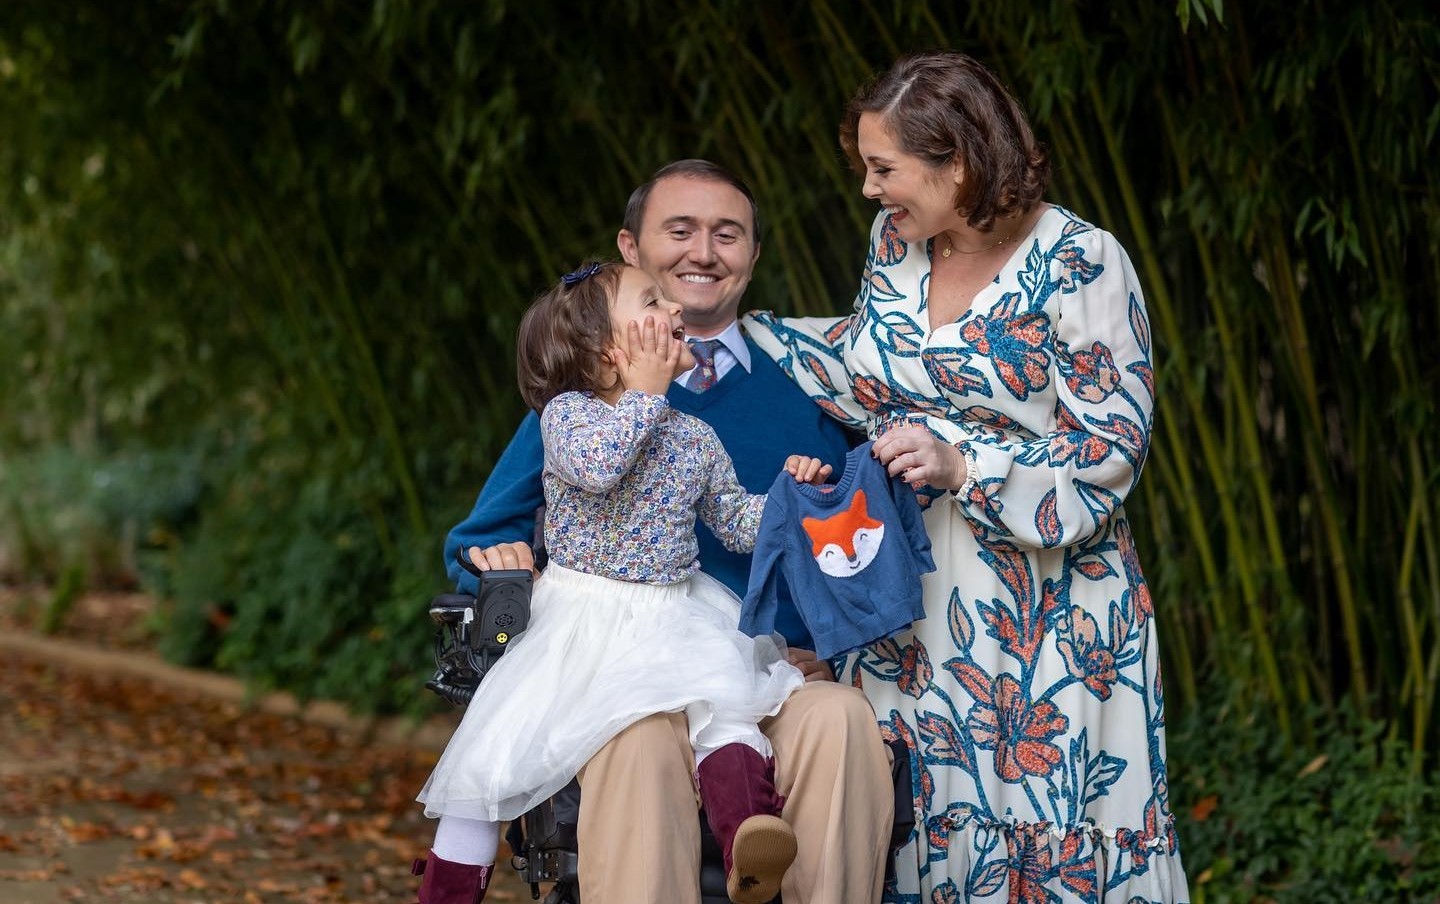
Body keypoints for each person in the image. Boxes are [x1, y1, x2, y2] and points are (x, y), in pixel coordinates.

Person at [740, 53, 1192, 901]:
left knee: (1045, 830)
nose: (871, 191)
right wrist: (741, 332)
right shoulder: (895, 244)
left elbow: (1108, 455)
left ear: (959, 161)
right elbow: (870, 371)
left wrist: (963, 464)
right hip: (905, 596)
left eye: (885, 170)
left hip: (1049, 611)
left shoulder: (1081, 262)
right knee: (911, 818)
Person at [443, 160, 895, 904]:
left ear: (752, 254)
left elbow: (844, 542)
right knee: (639, 737)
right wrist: (501, 561)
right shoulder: (585, 396)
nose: (703, 253)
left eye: (728, 234)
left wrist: (829, 646)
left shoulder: (811, 385)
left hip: (762, 671)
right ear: (631, 248)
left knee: (841, 720)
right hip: (624, 677)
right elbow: (479, 537)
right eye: (679, 230)